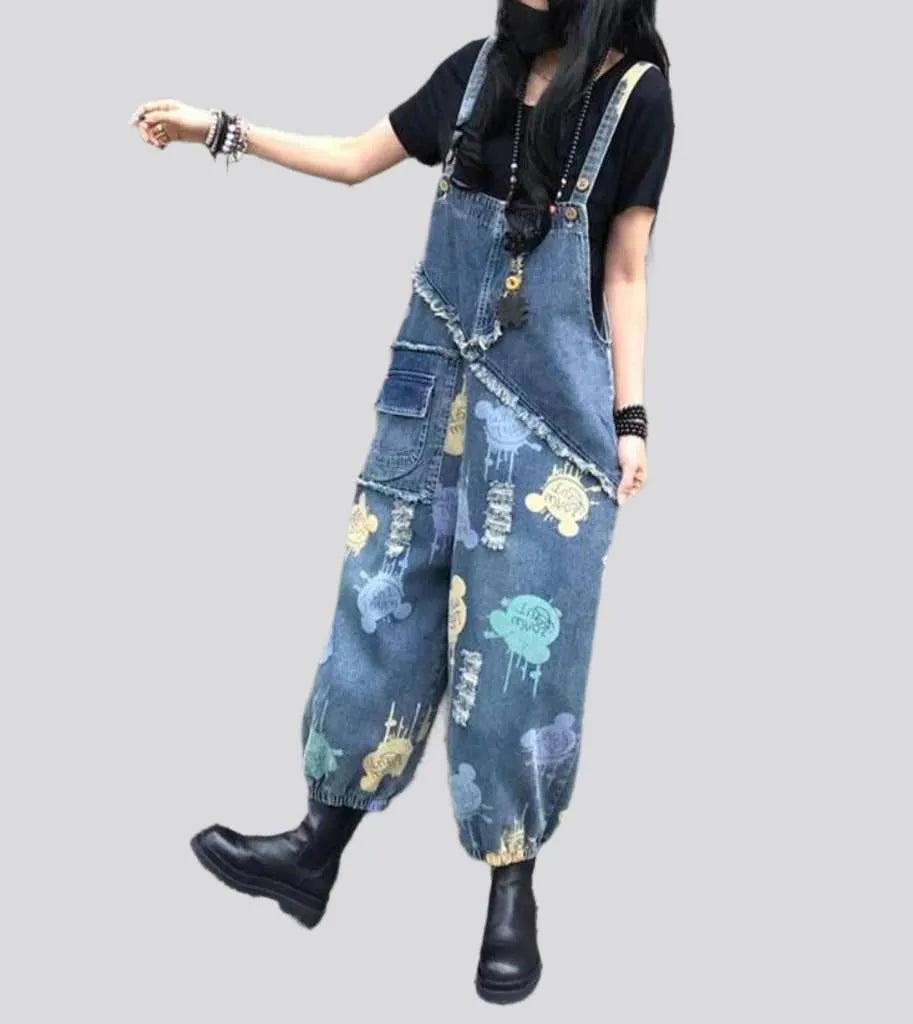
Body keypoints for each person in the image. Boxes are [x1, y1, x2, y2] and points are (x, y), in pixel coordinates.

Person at [130, 0, 673, 1004]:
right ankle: (316, 848)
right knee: (377, 606)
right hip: (432, 395)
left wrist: (631, 418)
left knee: (519, 655)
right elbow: (352, 158)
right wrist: (220, 129)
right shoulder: (475, 73)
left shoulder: (635, 99)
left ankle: (512, 890)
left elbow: (627, 268)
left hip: (549, 423)